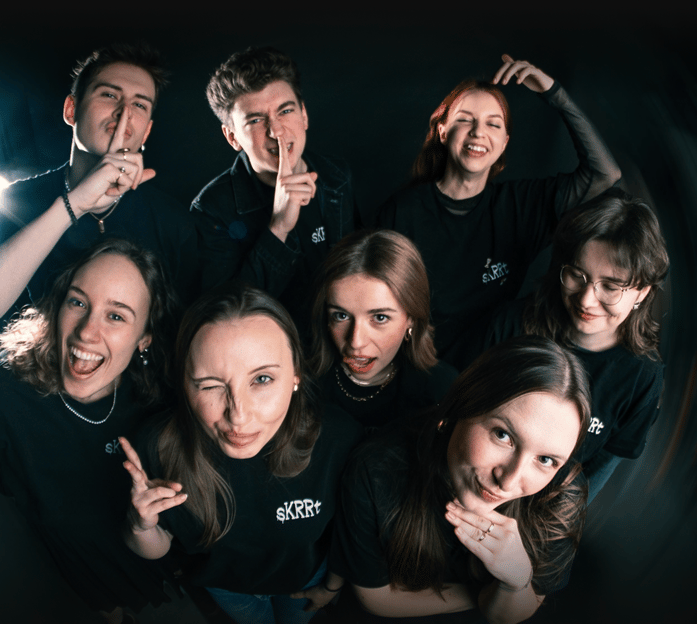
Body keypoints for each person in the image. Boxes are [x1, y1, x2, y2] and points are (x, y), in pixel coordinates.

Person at [0, 237, 179, 624]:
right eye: (77, 302)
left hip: (130, 535)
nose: (87, 333)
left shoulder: (158, 395)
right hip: (69, 544)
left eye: (117, 316)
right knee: (104, 605)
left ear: (145, 337)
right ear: (58, 305)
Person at [120, 284, 362, 624]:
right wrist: (140, 525)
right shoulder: (156, 446)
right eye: (210, 385)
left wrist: (332, 587)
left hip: (306, 579)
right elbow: (157, 547)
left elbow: (350, 533)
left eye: (262, 379)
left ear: (295, 375)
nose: (238, 415)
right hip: (229, 589)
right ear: (185, 387)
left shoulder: (339, 438)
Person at [0, 43, 214, 353]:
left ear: (147, 131)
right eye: (109, 95)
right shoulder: (17, 201)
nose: (124, 112)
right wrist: (73, 205)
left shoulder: (173, 224)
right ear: (71, 110)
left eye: (140, 105)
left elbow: (187, 346)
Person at [329, 336, 592, 624]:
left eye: (546, 460)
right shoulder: (376, 469)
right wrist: (489, 595)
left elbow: (504, 617)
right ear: (460, 407)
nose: (509, 481)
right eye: (503, 435)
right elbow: (374, 598)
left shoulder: (560, 495)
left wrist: (515, 580)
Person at [374, 54, 621, 365]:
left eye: (493, 124)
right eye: (465, 119)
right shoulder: (402, 212)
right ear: (442, 131)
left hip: (492, 373)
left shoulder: (522, 205)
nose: (478, 132)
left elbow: (605, 173)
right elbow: (379, 311)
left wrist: (553, 93)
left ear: (504, 142)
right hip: (418, 370)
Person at [451, 192, 667, 500]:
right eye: (577, 275)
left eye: (610, 286)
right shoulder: (510, 324)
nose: (586, 299)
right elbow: (452, 408)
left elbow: (601, 467)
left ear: (642, 293)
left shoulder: (643, 377)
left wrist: (550, 535)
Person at [192, 46, 359, 335]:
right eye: (256, 120)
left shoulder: (335, 176)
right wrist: (278, 228)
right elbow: (223, 320)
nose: (276, 131)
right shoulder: (211, 209)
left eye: (286, 111)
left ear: (304, 115)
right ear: (232, 137)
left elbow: (358, 270)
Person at [308, 229, 458, 431]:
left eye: (380, 318)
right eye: (341, 315)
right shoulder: (300, 382)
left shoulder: (442, 392)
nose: (356, 341)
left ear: (411, 319)